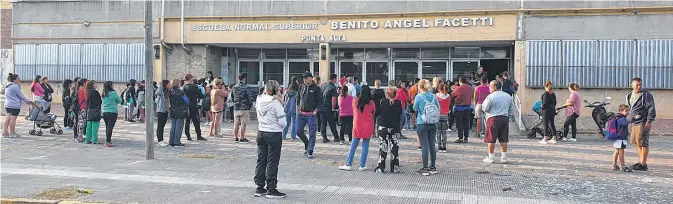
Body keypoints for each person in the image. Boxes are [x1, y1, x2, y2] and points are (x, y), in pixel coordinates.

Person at [253, 80, 287, 199]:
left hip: (261, 131)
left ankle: (259, 186)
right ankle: (271, 188)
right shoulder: (276, 103)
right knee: (272, 160)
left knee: (261, 159)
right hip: (273, 132)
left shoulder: (259, 99)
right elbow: (283, 122)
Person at [339, 85, 375, 171]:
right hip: (368, 125)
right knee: (365, 146)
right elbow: (373, 113)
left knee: (353, 146)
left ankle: (348, 164)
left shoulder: (355, 101)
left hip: (357, 125)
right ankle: (362, 165)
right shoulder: (371, 103)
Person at [481, 80, 515, 164]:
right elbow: (511, 110)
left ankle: (491, 157)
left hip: (493, 118)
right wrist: (508, 116)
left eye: (490, 86)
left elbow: (485, 108)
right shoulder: (508, 96)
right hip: (504, 118)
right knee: (504, 138)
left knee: (491, 139)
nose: (489, 88)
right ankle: (503, 158)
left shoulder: (490, 96)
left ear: (495, 87)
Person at [627, 77, 656, 171]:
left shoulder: (646, 95)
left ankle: (643, 164)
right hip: (634, 122)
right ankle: (642, 162)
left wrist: (649, 121)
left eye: (640, 85)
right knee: (637, 142)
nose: (639, 87)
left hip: (643, 122)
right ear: (632, 85)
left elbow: (651, 108)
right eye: (636, 85)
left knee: (644, 143)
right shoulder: (629, 95)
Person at [413, 79, 440, 176]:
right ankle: (433, 167)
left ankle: (424, 168)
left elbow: (415, 108)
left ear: (419, 87)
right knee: (432, 144)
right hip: (433, 123)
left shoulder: (419, 97)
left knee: (424, 145)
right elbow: (438, 108)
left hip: (422, 122)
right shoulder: (433, 96)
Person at [375, 87, 403, 173]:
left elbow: (378, 112)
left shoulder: (382, 102)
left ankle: (381, 167)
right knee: (394, 147)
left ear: (387, 94)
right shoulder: (398, 103)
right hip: (394, 127)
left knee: (383, 146)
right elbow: (400, 115)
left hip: (383, 126)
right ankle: (394, 167)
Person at [296, 72, 323, 158]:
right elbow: (298, 97)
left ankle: (310, 150)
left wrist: (316, 111)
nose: (304, 80)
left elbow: (320, 101)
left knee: (312, 133)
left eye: (306, 78)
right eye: (303, 78)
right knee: (298, 131)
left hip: (311, 114)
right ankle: (307, 144)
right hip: (301, 113)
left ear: (311, 78)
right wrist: (297, 106)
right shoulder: (301, 86)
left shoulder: (316, 88)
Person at [3, 73, 33, 138]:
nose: (19, 80)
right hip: (14, 105)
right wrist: (28, 101)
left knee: (7, 118)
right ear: (14, 80)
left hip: (7, 104)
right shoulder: (14, 86)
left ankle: (5, 133)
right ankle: (12, 133)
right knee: (13, 119)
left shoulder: (7, 86)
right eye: (18, 79)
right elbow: (21, 95)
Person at [182, 74, 206, 141]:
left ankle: (188, 136)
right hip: (193, 105)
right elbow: (200, 95)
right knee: (196, 121)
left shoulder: (183, 87)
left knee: (187, 121)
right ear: (190, 79)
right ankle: (198, 135)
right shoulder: (194, 86)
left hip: (186, 106)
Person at [316, 74, 340, 143]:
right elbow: (334, 99)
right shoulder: (333, 87)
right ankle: (336, 137)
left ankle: (324, 137)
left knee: (323, 123)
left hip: (321, 107)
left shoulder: (323, 85)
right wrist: (333, 108)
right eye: (336, 79)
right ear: (334, 79)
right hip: (328, 107)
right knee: (332, 123)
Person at [610, 104, 633, 172]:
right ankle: (623, 166)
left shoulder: (617, 117)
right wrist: (633, 119)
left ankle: (614, 165)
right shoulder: (622, 118)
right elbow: (625, 123)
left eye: (628, 110)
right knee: (621, 152)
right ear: (621, 111)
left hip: (617, 138)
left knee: (616, 152)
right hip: (621, 138)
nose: (628, 112)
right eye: (626, 111)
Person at [232, 73, 254, 143]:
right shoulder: (246, 87)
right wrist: (250, 105)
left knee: (236, 123)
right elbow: (250, 97)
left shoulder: (234, 87)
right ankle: (242, 137)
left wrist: (235, 103)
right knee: (243, 124)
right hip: (244, 107)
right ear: (244, 78)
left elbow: (232, 96)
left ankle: (235, 137)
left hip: (236, 107)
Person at [452, 76, 473, 143]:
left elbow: (453, 95)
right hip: (467, 108)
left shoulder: (458, 88)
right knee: (466, 123)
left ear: (459, 81)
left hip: (459, 108)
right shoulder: (470, 88)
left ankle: (460, 138)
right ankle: (466, 137)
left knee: (459, 124)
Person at [101, 81, 122, 147]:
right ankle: (108, 141)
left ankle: (107, 140)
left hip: (105, 112)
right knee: (110, 127)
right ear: (110, 86)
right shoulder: (113, 93)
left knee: (107, 126)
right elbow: (120, 100)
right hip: (112, 112)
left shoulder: (103, 94)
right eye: (112, 85)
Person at [168, 79, 188, 147]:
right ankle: (177, 141)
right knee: (179, 127)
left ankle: (171, 141)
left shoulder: (170, 92)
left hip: (173, 110)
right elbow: (187, 101)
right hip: (180, 110)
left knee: (173, 126)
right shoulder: (181, 92)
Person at [435, 84, 451, 153]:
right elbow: (449, 104)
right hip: (445, 115)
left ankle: (439, 146)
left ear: (439, 89)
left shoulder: (436, 96)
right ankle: (444, 146)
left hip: (438, 115)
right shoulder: (448, 96)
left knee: (438, 132)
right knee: (444, 132)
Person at [155, 80, 170, 146]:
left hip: (166, 111)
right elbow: (157, 92)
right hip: (161, 110)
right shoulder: (160, 91)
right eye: (168, 84)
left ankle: (162, 139)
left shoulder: (166, 91)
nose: (170, 85)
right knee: (160, 126)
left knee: (162, 126)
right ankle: (159, 140)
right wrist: (161, 85)